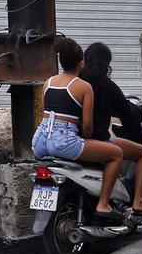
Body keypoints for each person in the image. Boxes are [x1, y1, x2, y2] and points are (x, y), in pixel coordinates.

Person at [31, 37, 125, 220]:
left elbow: (47, 113)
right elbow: (88, 125)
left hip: (40, 141)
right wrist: (87, 137)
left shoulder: (48, 82)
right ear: (81, 63)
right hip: (64, 141)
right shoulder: (84, 87)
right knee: (117, 154)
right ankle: (103, 204)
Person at [79, 42, 142, 213]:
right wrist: (137, 135)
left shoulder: (76, 81)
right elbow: (126, 113)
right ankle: (138, 201)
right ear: (106, 64)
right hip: (98, 140)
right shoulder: (105, 85)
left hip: (74, 140)